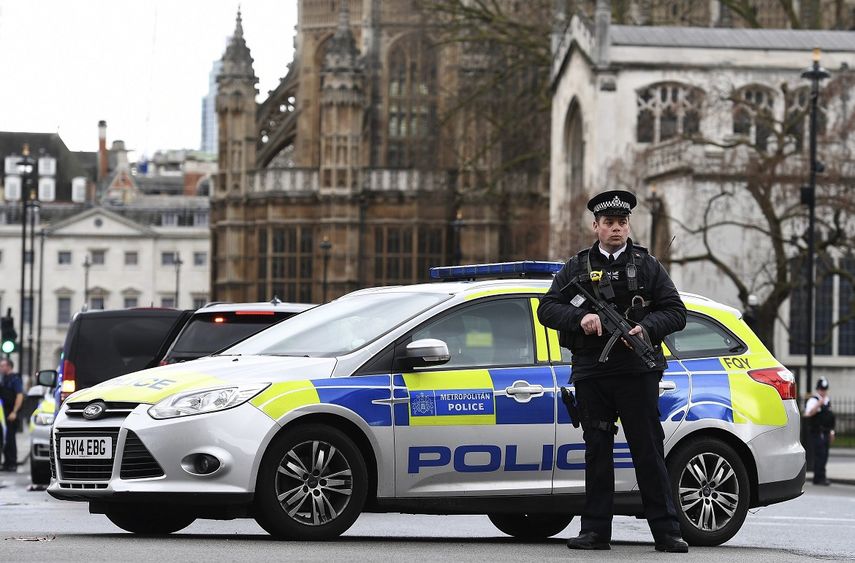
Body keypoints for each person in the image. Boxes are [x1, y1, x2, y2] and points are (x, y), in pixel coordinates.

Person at [538, 189, 688, 553]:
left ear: (628, 225)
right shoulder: (575, 268)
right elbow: (546, 309)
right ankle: (594, 532)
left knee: (647, 450)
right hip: (593, 371)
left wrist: (647, 328)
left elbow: (676, 312)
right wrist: (581, 317)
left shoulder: (648, 265)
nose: (616, 228)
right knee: (597, 451)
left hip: (637, 371)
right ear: (596, 227)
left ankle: (667, 532)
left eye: (622, 222)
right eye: (609, 223)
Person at [804, 377, 835, 486]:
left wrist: (832, 431)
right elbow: (807, 414)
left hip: (826, 432)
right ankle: (818, 478)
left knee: (825, 455)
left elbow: (830, 418)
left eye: (825, 389)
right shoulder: (813, 401)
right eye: (821, 389)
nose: (823, 391)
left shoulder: (827, 401)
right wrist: (818, 405)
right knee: (820, 454)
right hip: (817, 432)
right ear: (817, 389)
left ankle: (821, 476)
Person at [1, 357, 24, 471]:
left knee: (10, 439)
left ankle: (12, 463)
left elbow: (19, 396)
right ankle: (6, 463)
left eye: (2, 366)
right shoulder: (4, 378)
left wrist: (14, 412)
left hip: (11, 413)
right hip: (4, 413)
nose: (1, 368)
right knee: (5, 438)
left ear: (9, 366)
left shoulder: (15, 379)